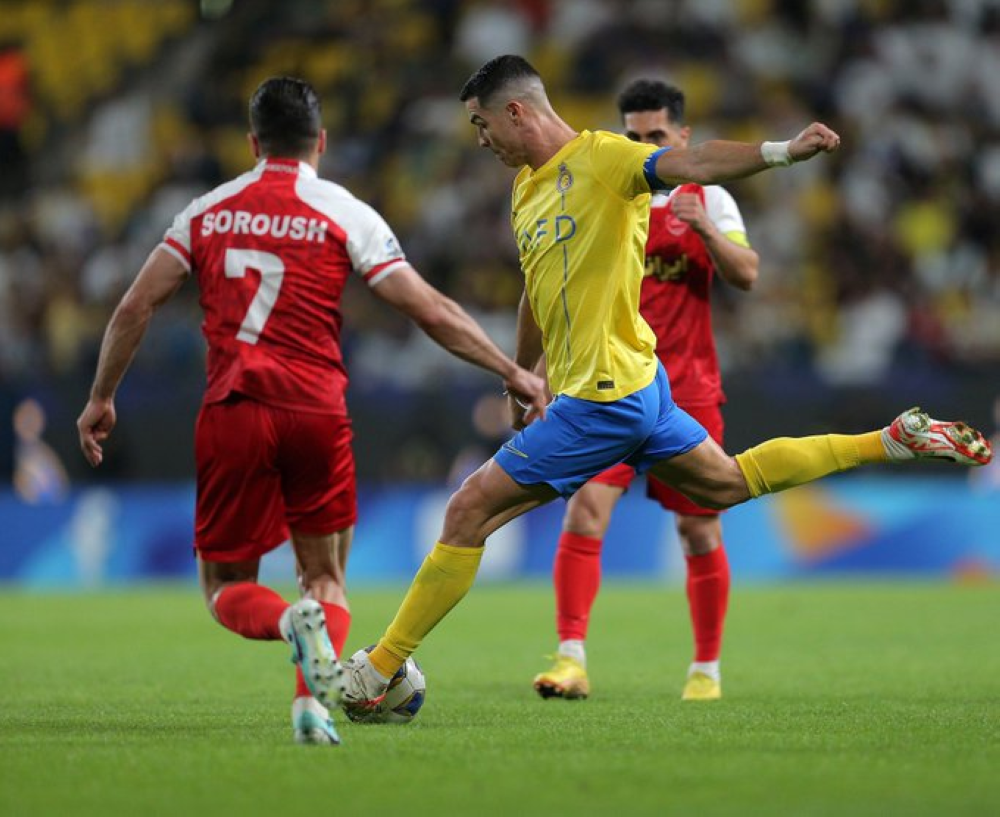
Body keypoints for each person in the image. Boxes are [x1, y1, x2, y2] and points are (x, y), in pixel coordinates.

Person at [341, 55, 992, 717]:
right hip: (639, 386)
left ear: (516, 111)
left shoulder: (609, 158)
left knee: (467, 510)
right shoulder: (525, 190)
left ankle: (380, 670)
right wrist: (522, 375)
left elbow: (698, 163)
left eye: (483, 124)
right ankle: (889, 440)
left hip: (606, 398)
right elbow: (536, 294)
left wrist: (784, 152)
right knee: (727, 483)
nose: (481, 140)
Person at [76, 76, 547, 747]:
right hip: (316, 412)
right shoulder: (343, 210)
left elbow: (133, 307)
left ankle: (284, 623)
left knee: (225, 583)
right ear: (321, 142)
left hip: (233, 410)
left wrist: (101, 396)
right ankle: (312, 710)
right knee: (325, 576)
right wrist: (511, 371)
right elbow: (427, 309)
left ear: (251, 143)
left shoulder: (207, 211)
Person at [532, 79, 758, 704]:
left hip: (688, 391)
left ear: (682, 137)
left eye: (655, 136)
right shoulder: (604, 194)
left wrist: (706, 231)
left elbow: (747, 274)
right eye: (632, 136)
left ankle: (705, 671)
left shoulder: (706, 196)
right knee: (585, 511)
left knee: (699, 532)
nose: (643, 145)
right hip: (611, 384)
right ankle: (570, 658)